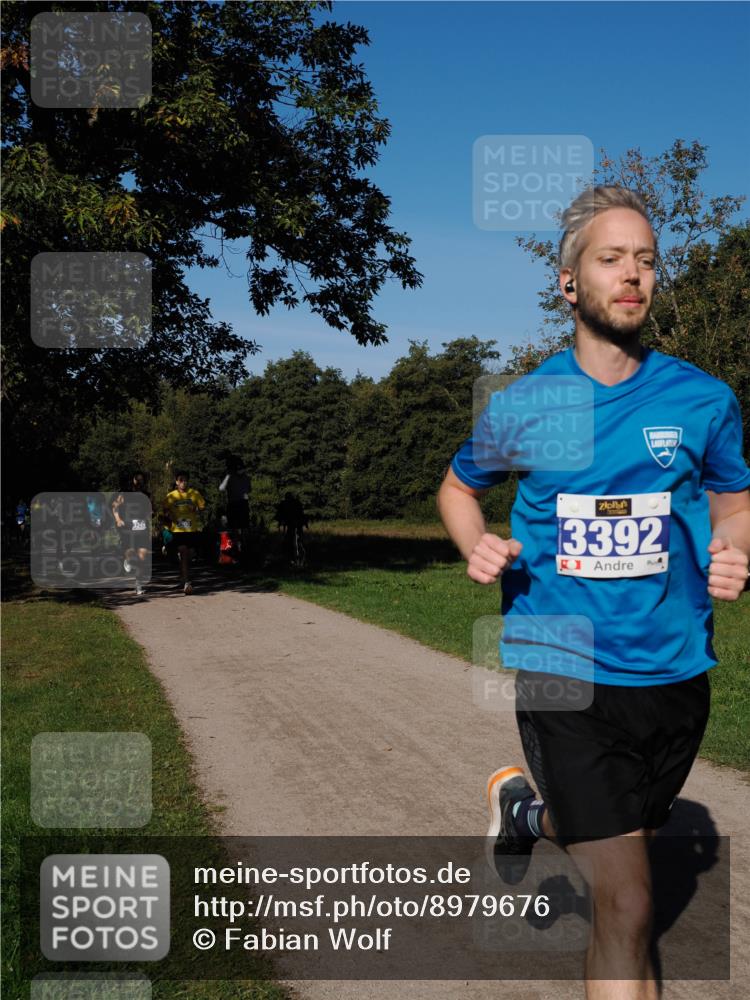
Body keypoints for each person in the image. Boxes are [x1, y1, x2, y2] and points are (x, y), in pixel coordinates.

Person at [437, 185, 750, 1000]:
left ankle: (527, 817)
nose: (633, 274)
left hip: (675, 671)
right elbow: (457, 489)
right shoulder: (528, 405)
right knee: (630, 899)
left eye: (646, 259)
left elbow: (735, 499)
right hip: (563, 669)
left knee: (631, 839)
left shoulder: (702, 400)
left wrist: (734, 547)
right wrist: (479, 548)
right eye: (611, 258)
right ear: (569, 282)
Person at [162, 471, 206, 594]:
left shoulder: (194, 494)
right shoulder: (171, 496)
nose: (183, 482)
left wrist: (196, 508)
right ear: (176, 482)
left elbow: (202, 508)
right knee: (184, 553)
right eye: (181, 480)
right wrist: (169, 517)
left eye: (185, 480)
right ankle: (187, 582)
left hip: (191, 529)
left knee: (190, 555)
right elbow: (164, 511)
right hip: (178, 530)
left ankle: (182, 577)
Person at [112, 472, 152, 597]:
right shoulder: (124, 493)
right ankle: (128, 560)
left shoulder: (146, 495)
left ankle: (139, 585)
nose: (140, 482)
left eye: (142, 480)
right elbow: (114, 507)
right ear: (133, 480)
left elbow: (149, 511)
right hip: (127, 528)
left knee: (142, 557)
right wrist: (118, 520)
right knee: (131, 555)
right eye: (138, 480)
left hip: (142, 528)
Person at [218, 458, 251, 561]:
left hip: (234, 503)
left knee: (235, 527)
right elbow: (249, 489)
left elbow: (221, 488)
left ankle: (239, 548)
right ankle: (242, 547)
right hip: (243, 503)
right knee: (241, 526)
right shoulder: (245, 477)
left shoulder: (231, 477)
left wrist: (227, 476)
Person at [275, 491, 308, 566]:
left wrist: (280, 523)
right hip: (293, 526)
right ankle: (293, 559)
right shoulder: (293, 503)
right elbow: (302, 514)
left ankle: (296, 559)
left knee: (294, 542)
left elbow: (301, 514)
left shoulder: (289, 503)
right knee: (292, 542)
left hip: (295, 526)